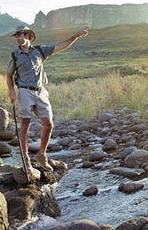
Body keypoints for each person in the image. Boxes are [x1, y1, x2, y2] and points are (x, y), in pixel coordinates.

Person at [6, 25, 89, 173]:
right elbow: (8, 75)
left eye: (20, 35)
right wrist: (11, 91)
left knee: (49, 124)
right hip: (24, 91)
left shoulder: (40, 51)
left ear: (28, 36)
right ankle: (25, 159)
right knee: (25, 124)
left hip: (41, 92)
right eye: (16, 36)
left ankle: (41, 155)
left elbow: (60, 46)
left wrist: (75, 36)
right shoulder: (15, 56)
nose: (18, 38)